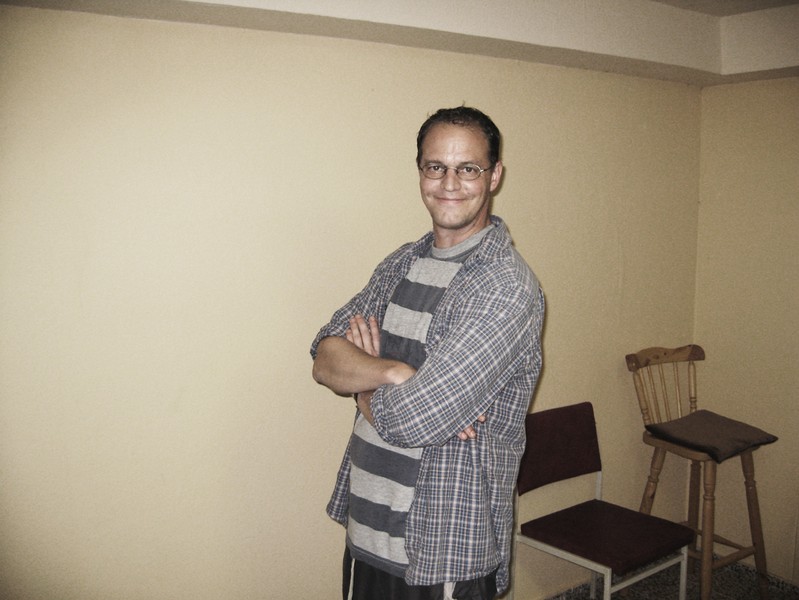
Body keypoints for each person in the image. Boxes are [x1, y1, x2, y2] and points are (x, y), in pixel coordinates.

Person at [310, 106, 544, 600]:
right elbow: (324, 356)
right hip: (367, 530)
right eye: (435, 167)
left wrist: (363, 386)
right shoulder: (401, 263)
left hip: (443, 552)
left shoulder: (505, 288)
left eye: (468, 168)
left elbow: (414, 419)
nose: (449, 183)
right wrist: (396, 372)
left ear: (494, 176)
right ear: (420, 172)